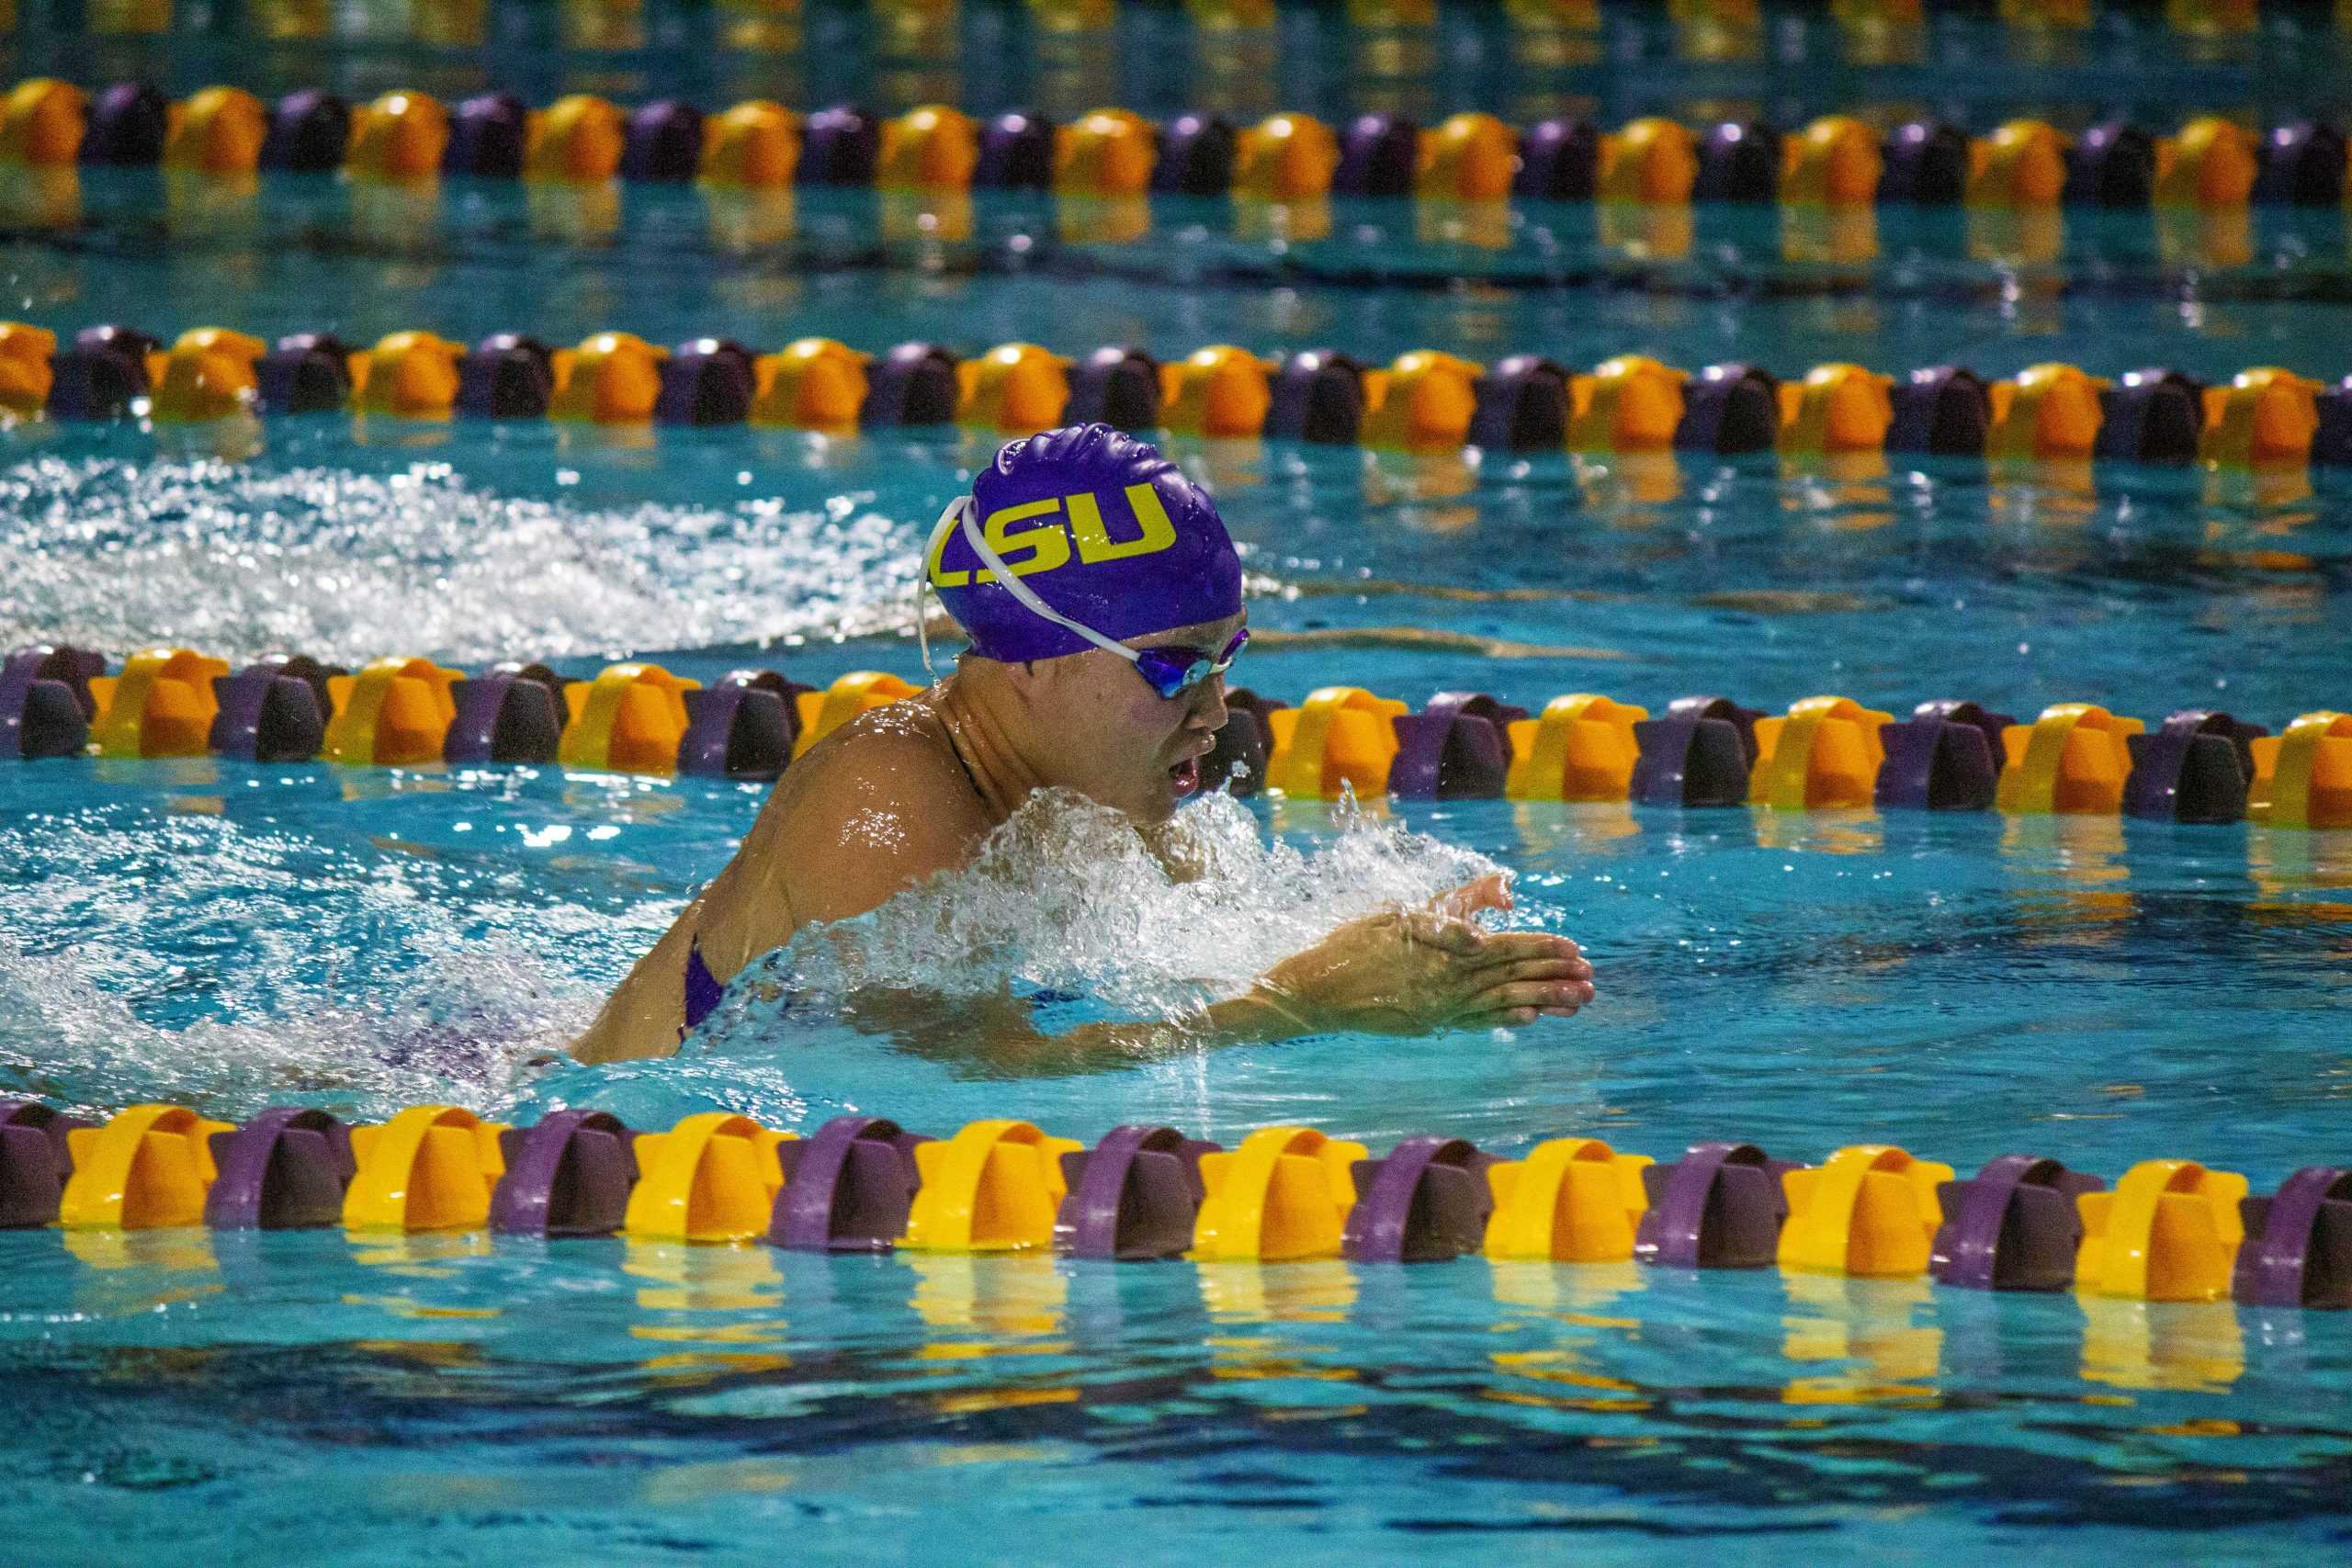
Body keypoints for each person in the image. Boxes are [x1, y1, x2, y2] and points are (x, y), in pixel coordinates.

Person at [571, 424, 1595, 1066]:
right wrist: (1299, 1005)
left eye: (1224, 656)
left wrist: (1403, 957)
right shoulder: (887, 800)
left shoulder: (1088, 801)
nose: (1218, 707)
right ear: (1027, 656)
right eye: (1173, 667)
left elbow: (1212, 946)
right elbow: (973, 1077)